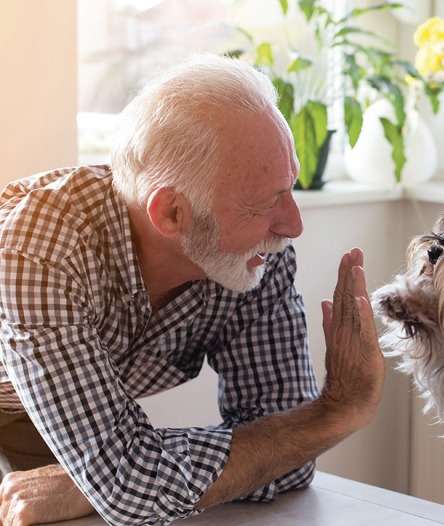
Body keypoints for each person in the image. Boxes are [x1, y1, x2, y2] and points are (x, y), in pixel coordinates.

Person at [0, 54, 385, 525]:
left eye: (291, 187)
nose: (293, 225)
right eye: (264, 204)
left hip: (46, 402)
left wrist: (110, 482)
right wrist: (338, 410)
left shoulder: (255, 256)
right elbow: (130, 487)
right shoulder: (39, 247)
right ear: (172, 214)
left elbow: (289, 459)